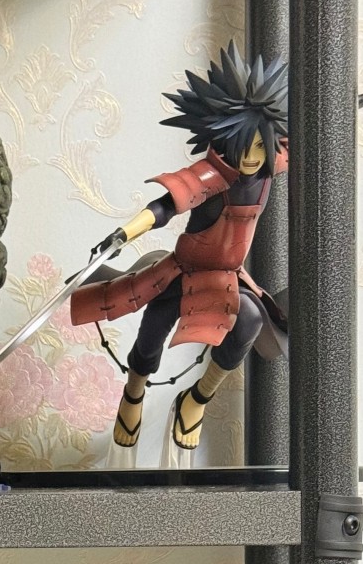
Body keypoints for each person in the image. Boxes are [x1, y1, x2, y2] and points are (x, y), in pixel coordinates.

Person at [69, 43, 289, 456]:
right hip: (183, 271)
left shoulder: (271, 164)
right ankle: (134, 392)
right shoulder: (209, 175)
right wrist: (122, 235)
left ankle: (197, 398)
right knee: (154, 328)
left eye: (260, 147)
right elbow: (165, 206)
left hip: (228, 276)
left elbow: (308, 133)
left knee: (251, 320)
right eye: (243, 146)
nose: (250, 157)